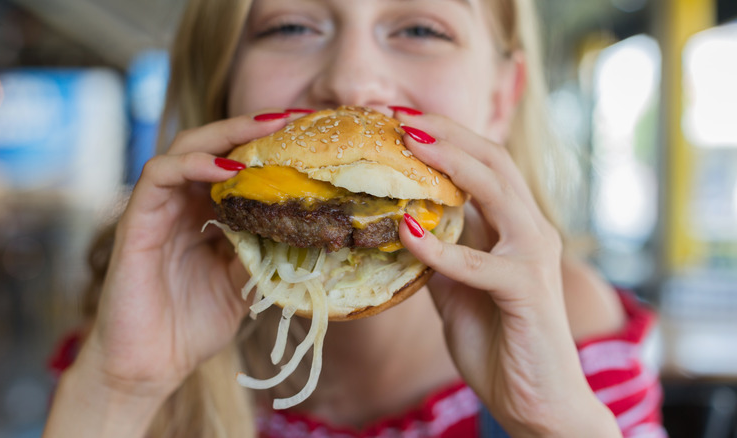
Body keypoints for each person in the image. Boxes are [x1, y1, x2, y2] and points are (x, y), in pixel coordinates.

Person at [43, 0, 667, 437]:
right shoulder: (128, 327)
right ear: (224, 79)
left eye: (421, 28)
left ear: (502, 97)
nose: (350, 82)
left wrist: (553, 424)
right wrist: (119, 393)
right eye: (289, 25)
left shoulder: (581, 329)